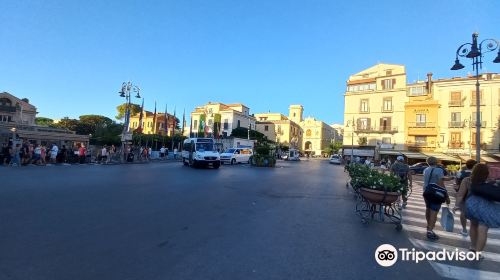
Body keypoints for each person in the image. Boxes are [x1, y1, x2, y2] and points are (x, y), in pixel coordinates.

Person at [463, 163, 500, 257]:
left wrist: (457, 205)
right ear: (486, 173)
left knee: (473, 225)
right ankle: (478, 253)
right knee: (482, 229)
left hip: (471, 205)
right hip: (484, 208)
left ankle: (473, 247)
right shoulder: (490, 183)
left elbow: (460, 194)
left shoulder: (468, 180)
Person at [422, 156, 453, 240]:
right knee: (434, 212)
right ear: (436, 162)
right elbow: (441, 183)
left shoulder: (426, 170)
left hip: (426, 192)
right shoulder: (439, 170)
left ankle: (429, 226)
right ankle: (430, 231)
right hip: (436, 193)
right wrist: (447, 196)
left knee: (428, 209)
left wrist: (448, 178)